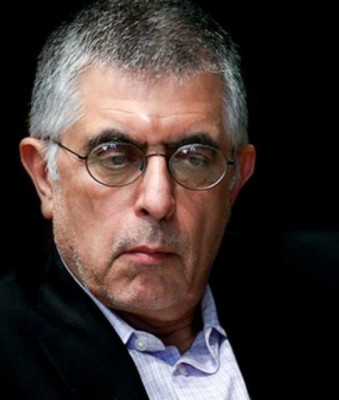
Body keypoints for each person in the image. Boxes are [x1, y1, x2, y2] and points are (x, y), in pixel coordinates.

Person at [0, 0, 257, 398]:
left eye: (193, 158)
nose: (158, 201)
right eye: (115, 157)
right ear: (45, 177)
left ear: (236, 179)